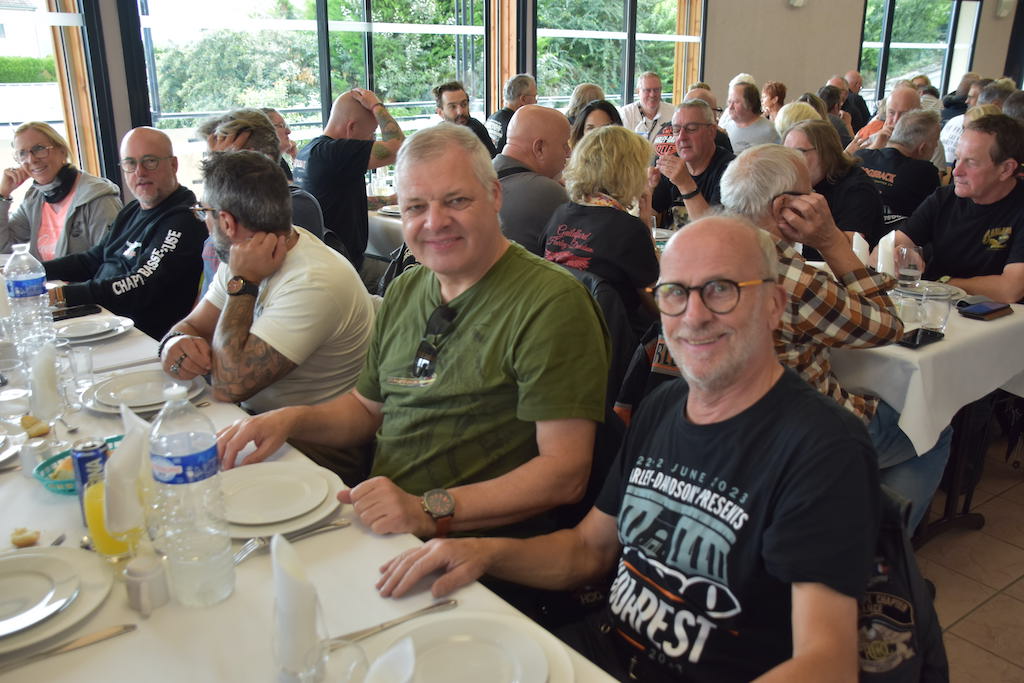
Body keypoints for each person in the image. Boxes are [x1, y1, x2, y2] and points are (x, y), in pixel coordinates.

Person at [376, 215, 880, 682]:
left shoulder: (822, 446)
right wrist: (480, 551)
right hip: (599, 656)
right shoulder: (663, 406)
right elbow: (588, 551)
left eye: (721, 290)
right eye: (674, 293)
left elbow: (827, 661)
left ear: (773, 305)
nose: (694, 315)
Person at [217, 123, 610, 544]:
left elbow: (564, 473)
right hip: (383, 527)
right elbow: (367, 411)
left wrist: (427, 509)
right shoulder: (406, 289)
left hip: (472, 550)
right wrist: (290, 419)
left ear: (495, 195)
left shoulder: (552, 303)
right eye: (415, 207)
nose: (434, 222)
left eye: (456, 200)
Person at [719, 144, 949, 533]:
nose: (818, 199)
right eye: (810, 193)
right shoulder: (794, 281)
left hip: (728, 427)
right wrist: (831, 242)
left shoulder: (700, 252)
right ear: (784, 208)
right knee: (931, 428)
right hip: (799, 436)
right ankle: (877, 551)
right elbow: (888, 326)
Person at [158, 150, 374, 414]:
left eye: (204, 213)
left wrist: (244, 282)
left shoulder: (314, 281)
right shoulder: (243, 254)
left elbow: (229, 385)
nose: (205, 223)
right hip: (255, 420)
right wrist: (172, 344)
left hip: (308, 437)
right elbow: (194, 326)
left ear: (226, 222)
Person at [43, 127, 207, 339]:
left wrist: (60, 295)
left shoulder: (184, 220)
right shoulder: (133, 209)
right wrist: (36, 272)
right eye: (130, 164)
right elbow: (93, 259)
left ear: (173, 165)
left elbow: (140, 284)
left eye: (150, 161)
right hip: (103, 321)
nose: (140, 172)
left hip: (140, 338)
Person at [894, 114, 1024, 303]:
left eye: (971, 162)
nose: (956, 171)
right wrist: (900, 253)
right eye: (957, 158)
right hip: (937, 307)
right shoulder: (944, 198)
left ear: (1006, 169)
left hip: (1000, 317)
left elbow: (1010, 289)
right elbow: (888, 248)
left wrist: (943, 284)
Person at [540, 125, 658, 332]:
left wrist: (644, 221)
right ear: (629, 172)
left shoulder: (560, 214)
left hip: (558, 329)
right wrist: (644, 227)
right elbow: (656, 304)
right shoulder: (628, 230)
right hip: (612, 339)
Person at [294, 88, 404, 272]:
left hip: (326, 261)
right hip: (342, 267)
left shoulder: (309, 151)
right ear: (351, 127)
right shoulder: (334, 153)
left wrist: (390, 201)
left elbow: (341, 202)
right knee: (405, 273)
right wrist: (376, 106)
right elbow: (399, 147)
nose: (372, 140)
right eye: (371, 133)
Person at [197, 108, 325, 240]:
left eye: (222, 171)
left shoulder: (294, 205)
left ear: (262, 159)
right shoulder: (233, 207)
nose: (217, 180)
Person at [1, 121, 121, 260]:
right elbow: (4, 247)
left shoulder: (99, 199)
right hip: (45, 275)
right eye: (22, 153)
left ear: (62, 151)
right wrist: (2, 194)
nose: (31, 159)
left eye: (39, 149)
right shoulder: (34, 198)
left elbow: (112, 261)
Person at [782, 118, 885, 248]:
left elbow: (850, 248)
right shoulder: (796, 185)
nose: (790, 161)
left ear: (826, 152)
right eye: (787, 153)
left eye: (798, 152)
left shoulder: (857, 190)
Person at [493, 105, 571, 255]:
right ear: (539, 148)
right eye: (564, 145)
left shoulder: (478, 176)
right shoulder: (548, 192)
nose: (569, 153)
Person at [652, 99, 736, 228]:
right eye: (676, 130)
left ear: (711, 132)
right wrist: (647, 191)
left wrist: (685, 184)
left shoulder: (732, 170)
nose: (681, 137)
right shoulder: (671, 164)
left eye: (691, 129)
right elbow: (649, 218)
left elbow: (714, 231)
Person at [855, 108, 941, 219]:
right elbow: (935, 217)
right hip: (893, 229)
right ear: (922, 148)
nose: (936, 146)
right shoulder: (926, 173)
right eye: (935, 141)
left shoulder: (859, 156)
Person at [433, 81, 497, 157]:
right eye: (453, 107)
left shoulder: (475, 130)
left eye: (464, 104)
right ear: (440, 112)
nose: (460, 112)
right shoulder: (438, 136)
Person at [486, 74, 537, 152]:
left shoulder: (492, 118)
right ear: (523, 99)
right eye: (534, 97)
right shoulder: (517, 125)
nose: (536, 101)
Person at [618, 72, 676, 141]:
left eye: (656, 90)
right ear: (638, 92)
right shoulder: (626, 114)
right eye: (647, 90)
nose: (652, 95)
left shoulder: (673, 112)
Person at [723, 82, 779, 153]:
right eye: (729, 102)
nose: (730, 107)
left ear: (750, 103)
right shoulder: (724, 129)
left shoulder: (771, 131)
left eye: (736, 102)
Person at [260, 107, 299, 179]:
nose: (288, 131)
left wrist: (295, 157)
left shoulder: (278, 160)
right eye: (281, 126)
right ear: (265, 131)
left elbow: (298, 182)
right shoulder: (261, 166)